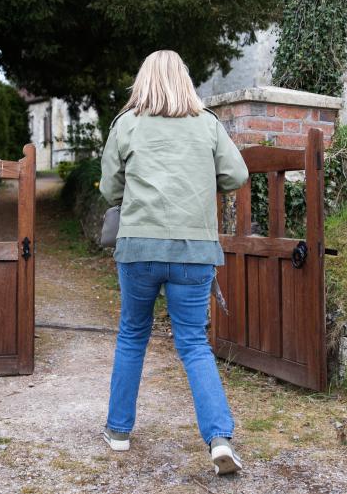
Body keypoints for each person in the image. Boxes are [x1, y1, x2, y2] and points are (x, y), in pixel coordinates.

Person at [99, 49, 249, 475]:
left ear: (142, 82)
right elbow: (237, 176)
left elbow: (110, 190)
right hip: (193, 251)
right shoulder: (208, 125)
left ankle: (118, 431)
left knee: (132, 335)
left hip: (139, 249)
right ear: (185, 80)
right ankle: (219, 439)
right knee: (194, 344)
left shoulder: (125, 125)